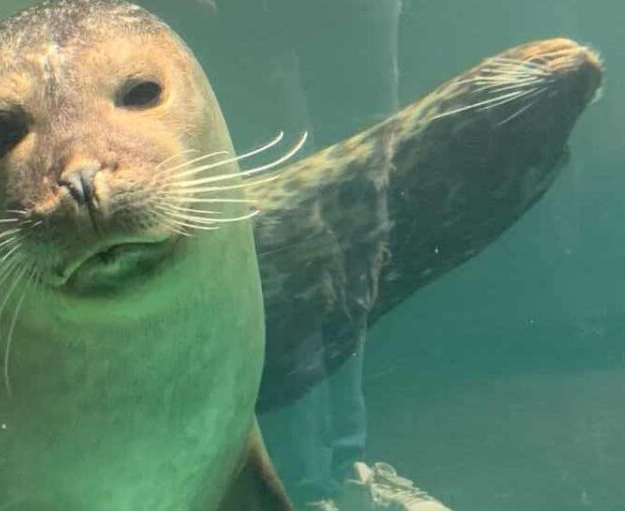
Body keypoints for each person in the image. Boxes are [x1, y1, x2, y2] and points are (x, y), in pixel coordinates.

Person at [137, 1, 450, 510]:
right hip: (240, 24)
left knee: (362, 209)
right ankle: (299, 485)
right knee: (276, 226)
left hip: (351, 16)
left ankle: (348, 468)